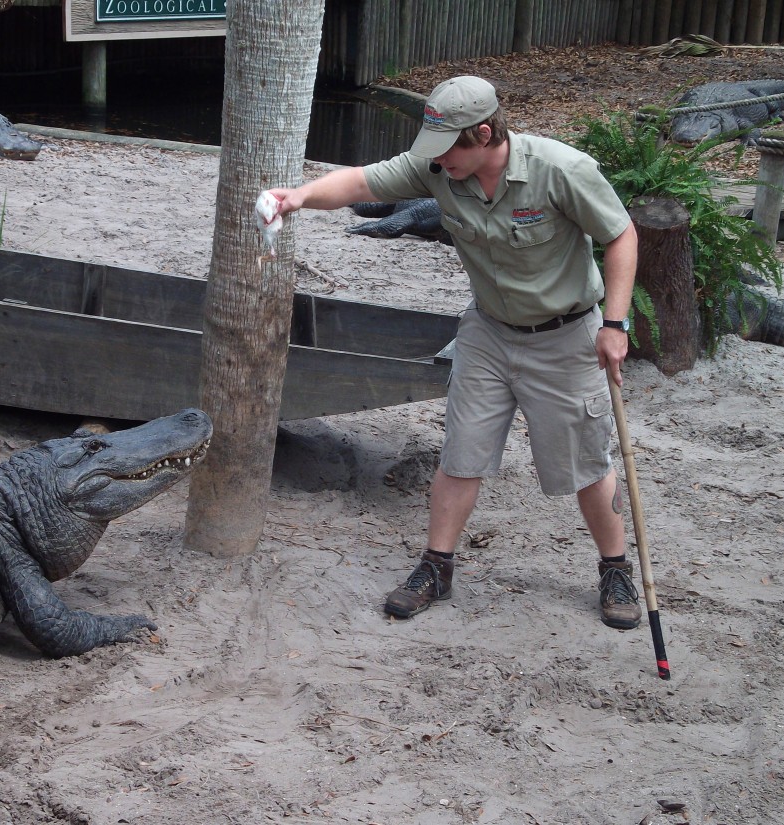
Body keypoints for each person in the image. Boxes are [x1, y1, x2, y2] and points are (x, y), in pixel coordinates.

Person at [269, 76, 642, 630]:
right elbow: (359, 183)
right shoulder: (438, 165)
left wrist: (614, 324)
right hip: (488, 333)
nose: (436, 161)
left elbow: (622, 236)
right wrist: (297, 197)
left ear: (485, 134)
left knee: (586, 465)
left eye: (448, 149)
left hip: (566, 337)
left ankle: (615, 569)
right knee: (461, 454)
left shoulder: (561, 170)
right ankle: (435, 567)